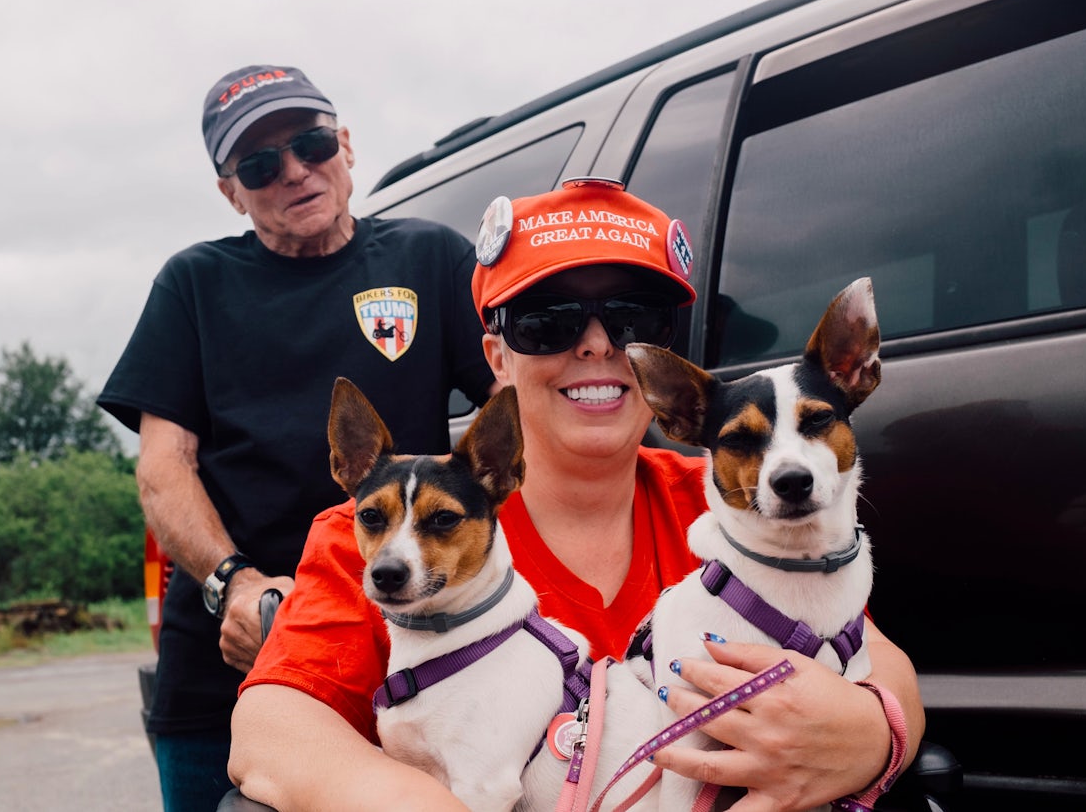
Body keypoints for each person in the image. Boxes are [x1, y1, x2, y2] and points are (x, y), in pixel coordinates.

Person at [229, 177, 925, 810]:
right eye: (547, 320)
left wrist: (873, 733)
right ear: (496, 356)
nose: (596, 345)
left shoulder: (727, 504)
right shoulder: (385, 529)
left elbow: (871, 652)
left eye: (634, 319)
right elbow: (273, 730)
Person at [97, 65, 495, 812]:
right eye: (259, 164)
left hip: (408, 650)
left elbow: (516, 412)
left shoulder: (433, 259)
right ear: (231, 191)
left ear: (344, 145)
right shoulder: (193, 284)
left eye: (310, 143)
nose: (294, 171)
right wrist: (236, 585)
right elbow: (162, 467)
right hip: (231, 660)